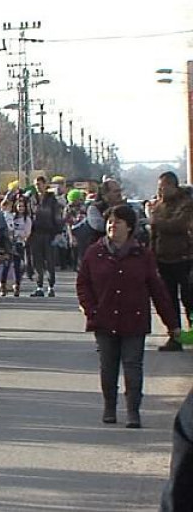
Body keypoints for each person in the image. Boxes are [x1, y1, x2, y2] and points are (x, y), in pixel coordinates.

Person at [76, 205, 180, 428]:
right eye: (110, 222)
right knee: (108, 366)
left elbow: (158, 290)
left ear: (130, 226)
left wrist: (172, 324)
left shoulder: (142, 255)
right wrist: (90, 308)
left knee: (133, 366)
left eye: (118, 222)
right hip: (104, 319)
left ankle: (133, 411)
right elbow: (83, 283)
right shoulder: (95, 253)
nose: (113, 226)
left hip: (134, 319)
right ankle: (110, 407)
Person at [150, 171, 193, 352]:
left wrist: (156, 220)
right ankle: (174, 336)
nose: (161, 190)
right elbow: (154, 233)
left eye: (164, 187)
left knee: (189, 298)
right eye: (159, 187)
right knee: (168, 300)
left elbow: (179, 224)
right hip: (163, 259)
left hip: (185, 258)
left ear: (173, 186)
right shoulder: (158, 206)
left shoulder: (186, 204)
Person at [28, 176, 64, 297]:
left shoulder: (52, 200)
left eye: (39, 184)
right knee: (37, 261)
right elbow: (28, 215)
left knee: (50, 261)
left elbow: (57, 217)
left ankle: (51, 286)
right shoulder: (32, 199)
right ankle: (39, 286)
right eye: (35, 184)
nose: (38, 186)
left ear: (45, 185)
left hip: (49, 234)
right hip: (35, 234)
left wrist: (58, 232)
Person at [86, 179, 125, 245]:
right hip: (101, 247)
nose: (119, 194)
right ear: (105, 195)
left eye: (120, 191)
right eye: (116, 191)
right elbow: (99, 226)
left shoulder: (125, 207)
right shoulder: (95, 208)